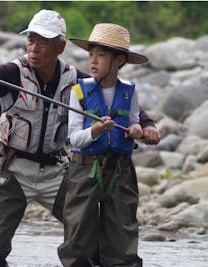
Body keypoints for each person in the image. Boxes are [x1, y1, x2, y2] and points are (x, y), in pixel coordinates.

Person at [0, 10, 160, 267]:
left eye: (42, 42)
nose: (34, 48)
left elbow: (118, 102)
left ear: (60, 47)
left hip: (57, 172)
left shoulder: (77, 81)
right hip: (13, 169)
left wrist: (147, 125)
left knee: (88, 235)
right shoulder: (11, 73)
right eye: (31, 40)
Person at [58, 23, 147, 267]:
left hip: (121, 170)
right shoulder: (78, 92)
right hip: (84, 169)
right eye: (90, 55)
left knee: (122, 230)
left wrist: (137, 130)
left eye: (100, 55)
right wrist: (96, 130)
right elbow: (74, 138)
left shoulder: (130, 92)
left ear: (119, 60)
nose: (93, 61)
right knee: (78, 233)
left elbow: (134, 122)